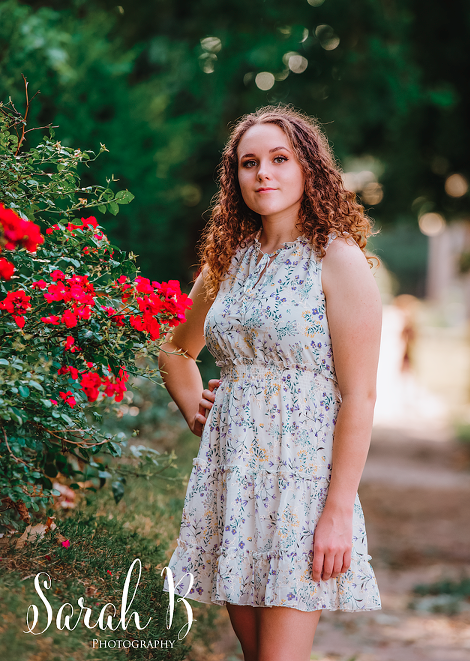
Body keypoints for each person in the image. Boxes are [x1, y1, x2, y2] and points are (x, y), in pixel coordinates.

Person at [159, 105, 382, 661]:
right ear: (234, 176)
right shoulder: (227, 262)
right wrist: (197, 411)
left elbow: (360, 395)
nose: (263, 173)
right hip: (232, 478)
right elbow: (175, 350)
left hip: (301, 485)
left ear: (308, 168)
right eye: (249, 162)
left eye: (280, 159)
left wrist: (337, 510)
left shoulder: (337, 259)